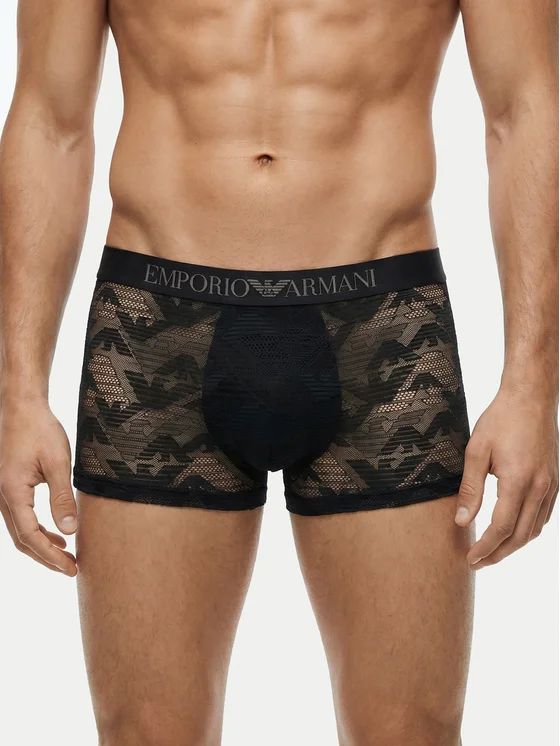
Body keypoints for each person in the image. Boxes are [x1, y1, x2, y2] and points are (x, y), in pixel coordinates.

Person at [0, 1, 557, 744]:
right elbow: (50, 120)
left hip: (382, 328)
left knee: (411, 733)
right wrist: (18, 391)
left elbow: (524, 109)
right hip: (155, 322)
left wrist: (532, 388)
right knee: (145, 734)